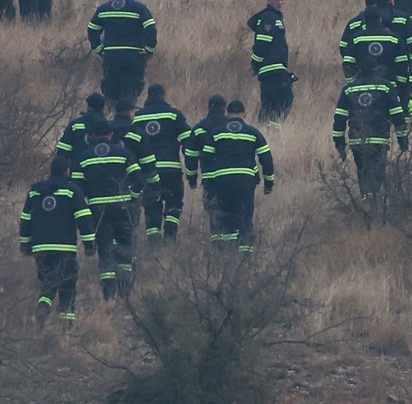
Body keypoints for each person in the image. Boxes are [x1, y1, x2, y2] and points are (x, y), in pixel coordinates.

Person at [72, 113, 144, 299]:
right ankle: (125, 291)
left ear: (93, 135)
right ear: (111, 134)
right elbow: (138, 180)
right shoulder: (124, 153)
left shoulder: (83, 157)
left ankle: (108, 294)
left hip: (98, 211)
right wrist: (134, 198)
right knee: (126, 248)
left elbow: (77, 190)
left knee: (105, 251)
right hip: (122, 208)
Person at [19, 158, 95, 327]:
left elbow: (25, 219)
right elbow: (83, 219)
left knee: (48, 281)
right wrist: (89, 245)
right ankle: (66, 326)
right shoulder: (72, 191)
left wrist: (26, 244)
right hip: (65, 248)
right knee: (67, 285)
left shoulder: (35, 192)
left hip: (41, 249)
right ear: (67, 171)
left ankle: (44, 305)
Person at [197, 100, 275, 250]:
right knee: (245, 215)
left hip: (221, 180)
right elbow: (266, 159)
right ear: (244, 115)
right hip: (245, 181)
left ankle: (225, 252)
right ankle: (244, 253)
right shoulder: (253, 132)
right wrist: (269, 183)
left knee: (225, 213)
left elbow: (206, 157)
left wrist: (211, 179)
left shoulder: (217, 132)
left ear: (227, 113)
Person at [333, 78, 409, 199]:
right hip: (379, 140)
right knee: (377, 172)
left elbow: (339, 119)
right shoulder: (386, 87)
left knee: (363, 171)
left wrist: (340, 144)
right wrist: (403, 140)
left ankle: (367, 199)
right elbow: (398, 116)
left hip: (357, 140)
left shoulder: (348, 89)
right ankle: (374, 201)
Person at [88, 0, 157, 106]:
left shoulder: (104, 9)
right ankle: (126, 121)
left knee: (111, 92)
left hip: (111, 56)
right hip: (133, 57)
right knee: (130, 92)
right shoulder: (139, 8)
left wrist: (99, 50)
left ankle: (112, 119)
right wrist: (149, 50)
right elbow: (151, 29)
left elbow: (92, 29)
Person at [134, 84, 190, 243]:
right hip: (171, 169)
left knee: (151, 205)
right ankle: (170, 237)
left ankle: (154, 241)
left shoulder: (137, 117)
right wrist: (190, 164)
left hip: (147, 170)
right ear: (163, 96)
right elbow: (188, 139)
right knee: (174, 202)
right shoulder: (174, 115)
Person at [247, 0, 296, 122]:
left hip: (271, 71)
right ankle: (273, 127)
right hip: (274, 70)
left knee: (268, 106)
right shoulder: (269, 18)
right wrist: (255, 64)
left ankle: (264, 129)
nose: (279, 2)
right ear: (269, 1)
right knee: (285, 100)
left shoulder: (273, 17)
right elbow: (261, 44)